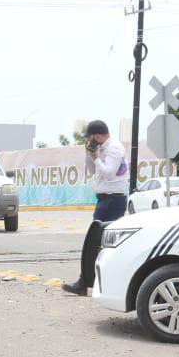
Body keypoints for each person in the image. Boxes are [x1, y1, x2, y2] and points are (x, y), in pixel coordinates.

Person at [63, 119, 127, 297]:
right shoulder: (101, 149)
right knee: (99, 244)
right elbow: (93, 171)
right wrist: (89, 153)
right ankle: (88, 282)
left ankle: (85, 283)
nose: (90, 141)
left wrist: (97, 157)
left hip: (113, 200)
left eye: (91, 138)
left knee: (97, 244)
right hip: (104, 200)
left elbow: (108, 172)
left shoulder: (114, 148)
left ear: (97, 136)